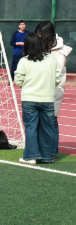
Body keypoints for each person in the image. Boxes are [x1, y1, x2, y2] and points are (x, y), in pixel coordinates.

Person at [14, 32, 63, 165]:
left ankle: (30, 156)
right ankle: (47, 156)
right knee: (47, 128)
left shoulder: (24, 60)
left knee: (31, 128)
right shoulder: (51, 59)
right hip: (47, 98)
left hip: (29, 98)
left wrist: (26, 85)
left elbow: (18, 79)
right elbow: (58, 77)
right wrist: (49, 85)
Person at [35, 21, 71, 157]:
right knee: (41, 120)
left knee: (51, 120)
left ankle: (53, 150)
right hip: (40, 89)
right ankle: (42, 148)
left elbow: (55, 72)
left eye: (40, 35)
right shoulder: (42, 46)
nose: (38, 37)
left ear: (47, 35)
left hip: (54, 90)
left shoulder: (60, 52)